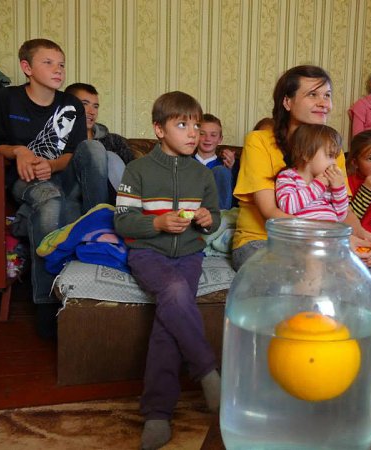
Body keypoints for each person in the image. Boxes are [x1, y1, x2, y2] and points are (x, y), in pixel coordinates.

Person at [232, 64, 371, 301]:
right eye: (313, 94)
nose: (323, 103)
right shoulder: (259, 141)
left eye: (327, 95)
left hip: (325, 238)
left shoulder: (330, 147)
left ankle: (353, 327)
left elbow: (343, 210)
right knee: (303, 273)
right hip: (263, 239)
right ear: (287, 102)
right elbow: (271, 213)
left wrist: (363, 239)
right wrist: (336, 240)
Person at [114, 91, 221, 450]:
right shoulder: (137, 170)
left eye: (196, 125)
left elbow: (215, 217)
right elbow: (122, 220)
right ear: (159, 130)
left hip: (189, 255)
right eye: (182, 125)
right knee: (174, 293)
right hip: (148, 254)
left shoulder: (203, 175)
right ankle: (207, 371)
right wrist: (157, 224)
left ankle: (157, 413)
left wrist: (207, 220)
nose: (193, 133)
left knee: (168, 315)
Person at [0, 38, 109, 337]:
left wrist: (51, 165)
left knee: (94, 149)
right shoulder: (6, 99)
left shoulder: (71, 104)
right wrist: (20, 151)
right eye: (48, 63)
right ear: (26, 67)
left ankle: (97, 223)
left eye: (61, 64)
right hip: (26, 180)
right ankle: (46, 302)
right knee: (51, 201)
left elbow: (73, 154)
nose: (58, 70)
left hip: (62, 174)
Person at [65, 82, 133, 195]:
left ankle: (126, 203)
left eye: (95, 106)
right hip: (72, 197)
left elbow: (134, 175)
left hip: (116, 198)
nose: (92, 112)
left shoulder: (115, 142)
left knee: (111, 157)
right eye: (84, 104)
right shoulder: (57, 141)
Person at [275, 124, 348, 221]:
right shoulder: (288, 177)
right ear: (307, 154)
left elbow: (341, 217)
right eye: (330, 155)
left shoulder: (329, 183)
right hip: (305, 230)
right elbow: (287, 207)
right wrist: (317, 186)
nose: (334, 163)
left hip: (330, 229)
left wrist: (339, 189)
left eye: (335, 157)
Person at [195, 113, 233, 209]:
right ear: (195, 136)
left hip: (216, 212)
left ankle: (218, 215)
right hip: (191, 209)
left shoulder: (224, 165)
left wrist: (230, 170)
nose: (207, 139)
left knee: (221, 171)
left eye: (213, 135)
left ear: (220, 139)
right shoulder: (186, 161)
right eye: (202, 134)